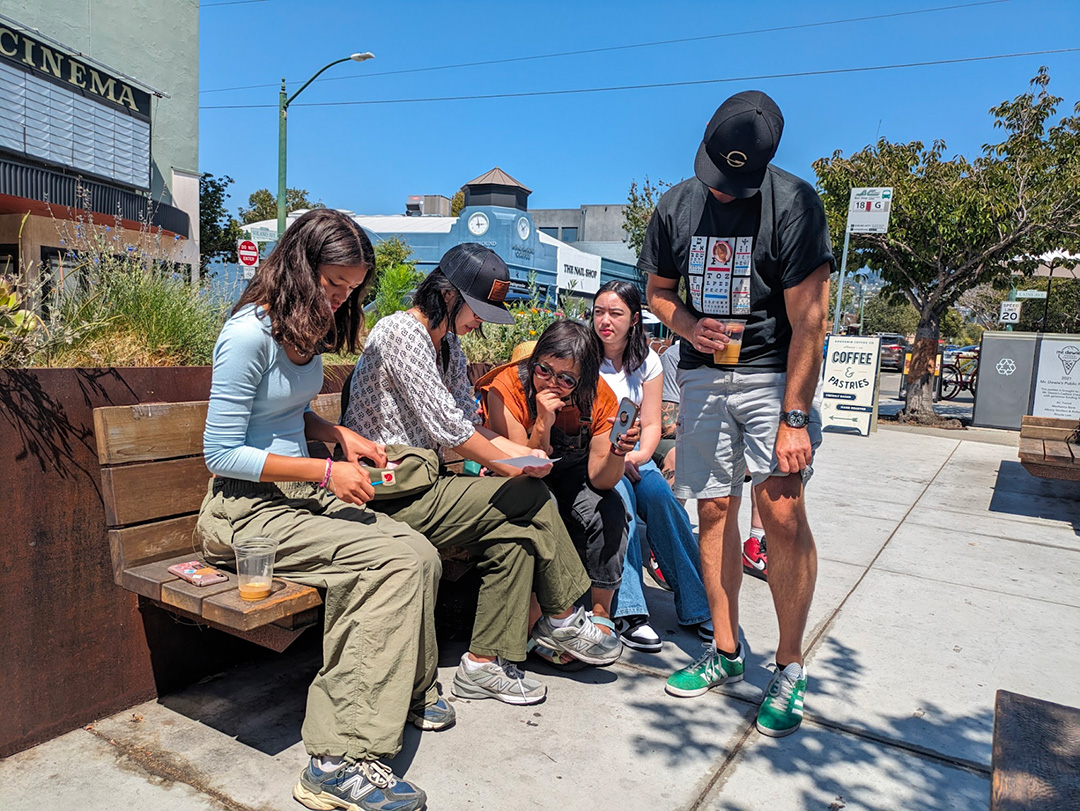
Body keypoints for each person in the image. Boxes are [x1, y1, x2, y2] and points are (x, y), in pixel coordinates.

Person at [197, 209, 434, 811]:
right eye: (332, 286)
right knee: (388, 563)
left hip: (292, 498)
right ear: (300, 269)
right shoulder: (248, 334)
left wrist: (335, 432)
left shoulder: (297, 329)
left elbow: (276, 414)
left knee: (419, 550)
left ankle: (399, 690)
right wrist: (326, 469)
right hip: (242, 514)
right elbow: (221, 452)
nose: (339, 300)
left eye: (351, 290)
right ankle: (335, 760)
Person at [342, 243, 617, 706]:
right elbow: (448, 429)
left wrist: (526, 457)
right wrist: (513, 463)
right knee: (528, 498)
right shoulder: (401, 334)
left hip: (423, 481)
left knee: (515, 532)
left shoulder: (446, 343)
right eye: (479, 308)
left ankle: (483, 666)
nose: (483, 322)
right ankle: (565, 614)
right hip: (385, 488)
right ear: (450, 295)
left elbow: (469, 422)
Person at [643, 90, 831, 738]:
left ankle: (787, 664)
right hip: (701, 378)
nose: (722, 193)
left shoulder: (795, 204)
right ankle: (725, 650)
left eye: (735, 183)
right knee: (714, 508)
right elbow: (659, 294)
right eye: (714, 179)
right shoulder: (674, 207)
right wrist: (687, 324)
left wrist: (796, 417)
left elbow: (812, 319)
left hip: (772, 375)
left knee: (780, 507)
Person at [482, 319, 639, 652]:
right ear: (535, 359)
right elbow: (520, 466)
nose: (552, 383)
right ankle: (550, 618)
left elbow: (601, 479)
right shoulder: (506, 386)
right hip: (520, 478)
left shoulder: (600, 399)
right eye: (544, 370)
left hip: (574, 475)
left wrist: (617, 451)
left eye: (566, 379)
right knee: (541, 503)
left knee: (611, 507)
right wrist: (542, 420)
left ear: (582, 381)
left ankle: (600, 614)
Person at [591, 281, 712, 652]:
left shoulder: (648, 361)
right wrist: (615, 459)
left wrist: (637, 457)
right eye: (598, 312)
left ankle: (698, 604)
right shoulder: (582, 354)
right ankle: (628, 611)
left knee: (661, 496)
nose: (605, 321)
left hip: (635, 456)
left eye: (615, 313)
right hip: (594, 457)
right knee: (622, 499)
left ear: (633, 319)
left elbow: (654, 422)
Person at [657, 340, 769, 582]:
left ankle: (756, 543)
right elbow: (667, 424)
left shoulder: (746, 354)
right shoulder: (677, 355)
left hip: (726, 437)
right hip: (680, 437)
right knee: (679, 457)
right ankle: (664, 546)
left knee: (768, 456)